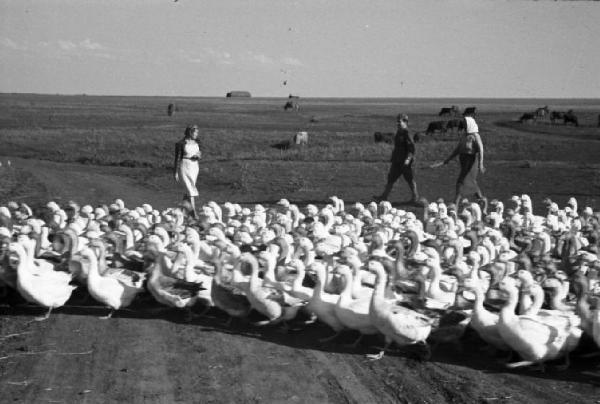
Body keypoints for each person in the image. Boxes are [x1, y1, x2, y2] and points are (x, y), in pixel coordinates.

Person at [433, 111, 486, 211]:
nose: (463, 124)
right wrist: (447, 160)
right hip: (463, 161)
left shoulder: (475, 136)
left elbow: (481, 150)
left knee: (461, 182)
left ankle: (455, 203)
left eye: (465, 123)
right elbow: (458, 149)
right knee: (470, 182)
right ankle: (481, 199)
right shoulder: (464, 136)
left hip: (471, 162)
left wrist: (481, 163)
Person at [373, 113, 419, 204]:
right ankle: (384, 196)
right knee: (391, 178)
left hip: (405, 162)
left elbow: (411, 149)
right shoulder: (399, 132)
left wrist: (407, 161)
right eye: (397, 121)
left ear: (405, 122)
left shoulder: (407, 133)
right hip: (397, 161)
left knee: (410, 179)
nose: (397, 123)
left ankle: (415, 197)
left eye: (399, 121)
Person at [174, 125, 202, 218]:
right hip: (185, 166)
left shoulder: (197, 142)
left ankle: (182, 211)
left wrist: (198, 155)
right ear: (190, 132)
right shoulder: (181, 144)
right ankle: (194, 213)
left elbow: (200, 152)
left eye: (197, 133)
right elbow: (177, 158)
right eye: (195, 132)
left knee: (188, 191)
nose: (197, 134)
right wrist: (175, 172)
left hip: (194, 167)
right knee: (190, 190)